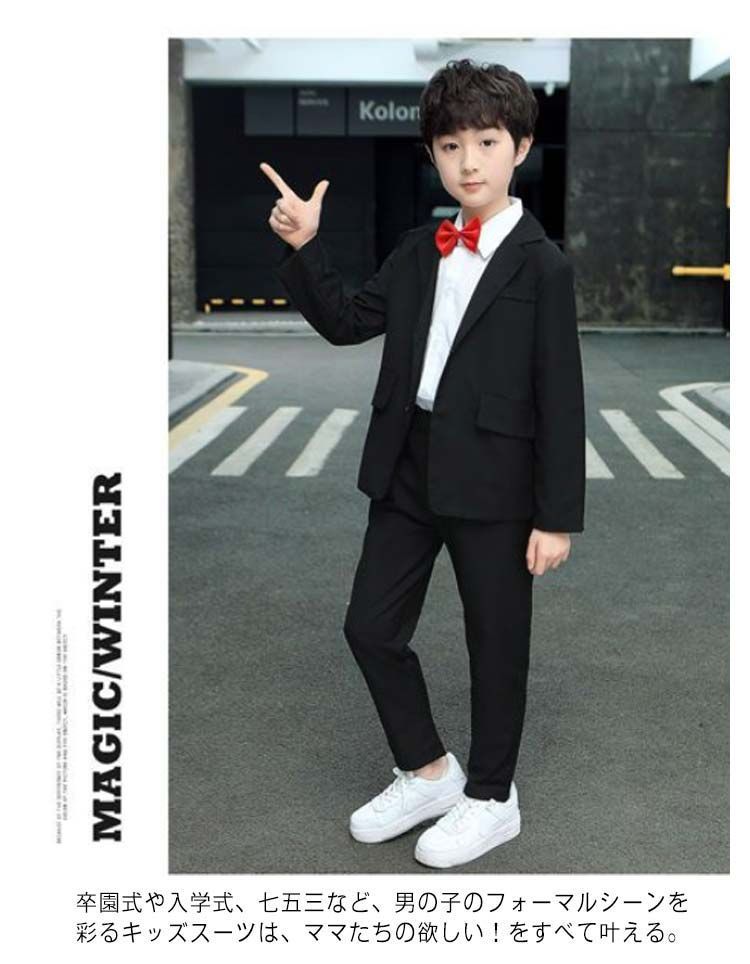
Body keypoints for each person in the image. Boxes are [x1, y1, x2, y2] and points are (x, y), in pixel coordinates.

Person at [262, 58, 586, 869]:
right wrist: (305, 245)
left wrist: (556, 517)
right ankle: (431, 771)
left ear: (521, 147)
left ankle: (493, 798)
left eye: (487, 142)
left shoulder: (543, 266)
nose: (468, 162)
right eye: (450, 146)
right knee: (369, 626)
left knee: (495, 645)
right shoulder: (418, 249)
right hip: (408, 467)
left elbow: (562, 396)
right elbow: (346, 321)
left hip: (498, 480)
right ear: (434, 154)